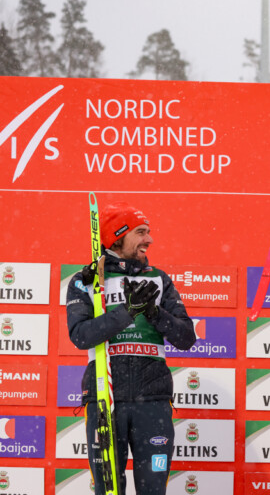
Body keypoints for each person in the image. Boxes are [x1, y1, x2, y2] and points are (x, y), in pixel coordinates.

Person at [66, 202, 196, 495]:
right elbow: (81, 336)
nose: (149, 240)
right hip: (104, 399)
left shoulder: (158, 280)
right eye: (141, 232)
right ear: (117, 236)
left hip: (153, 402)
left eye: (149, 232)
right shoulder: (86, 280)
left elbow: (186, 337)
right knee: (108, 490)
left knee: (153, 490)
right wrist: (126, 311)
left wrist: (153, 312)